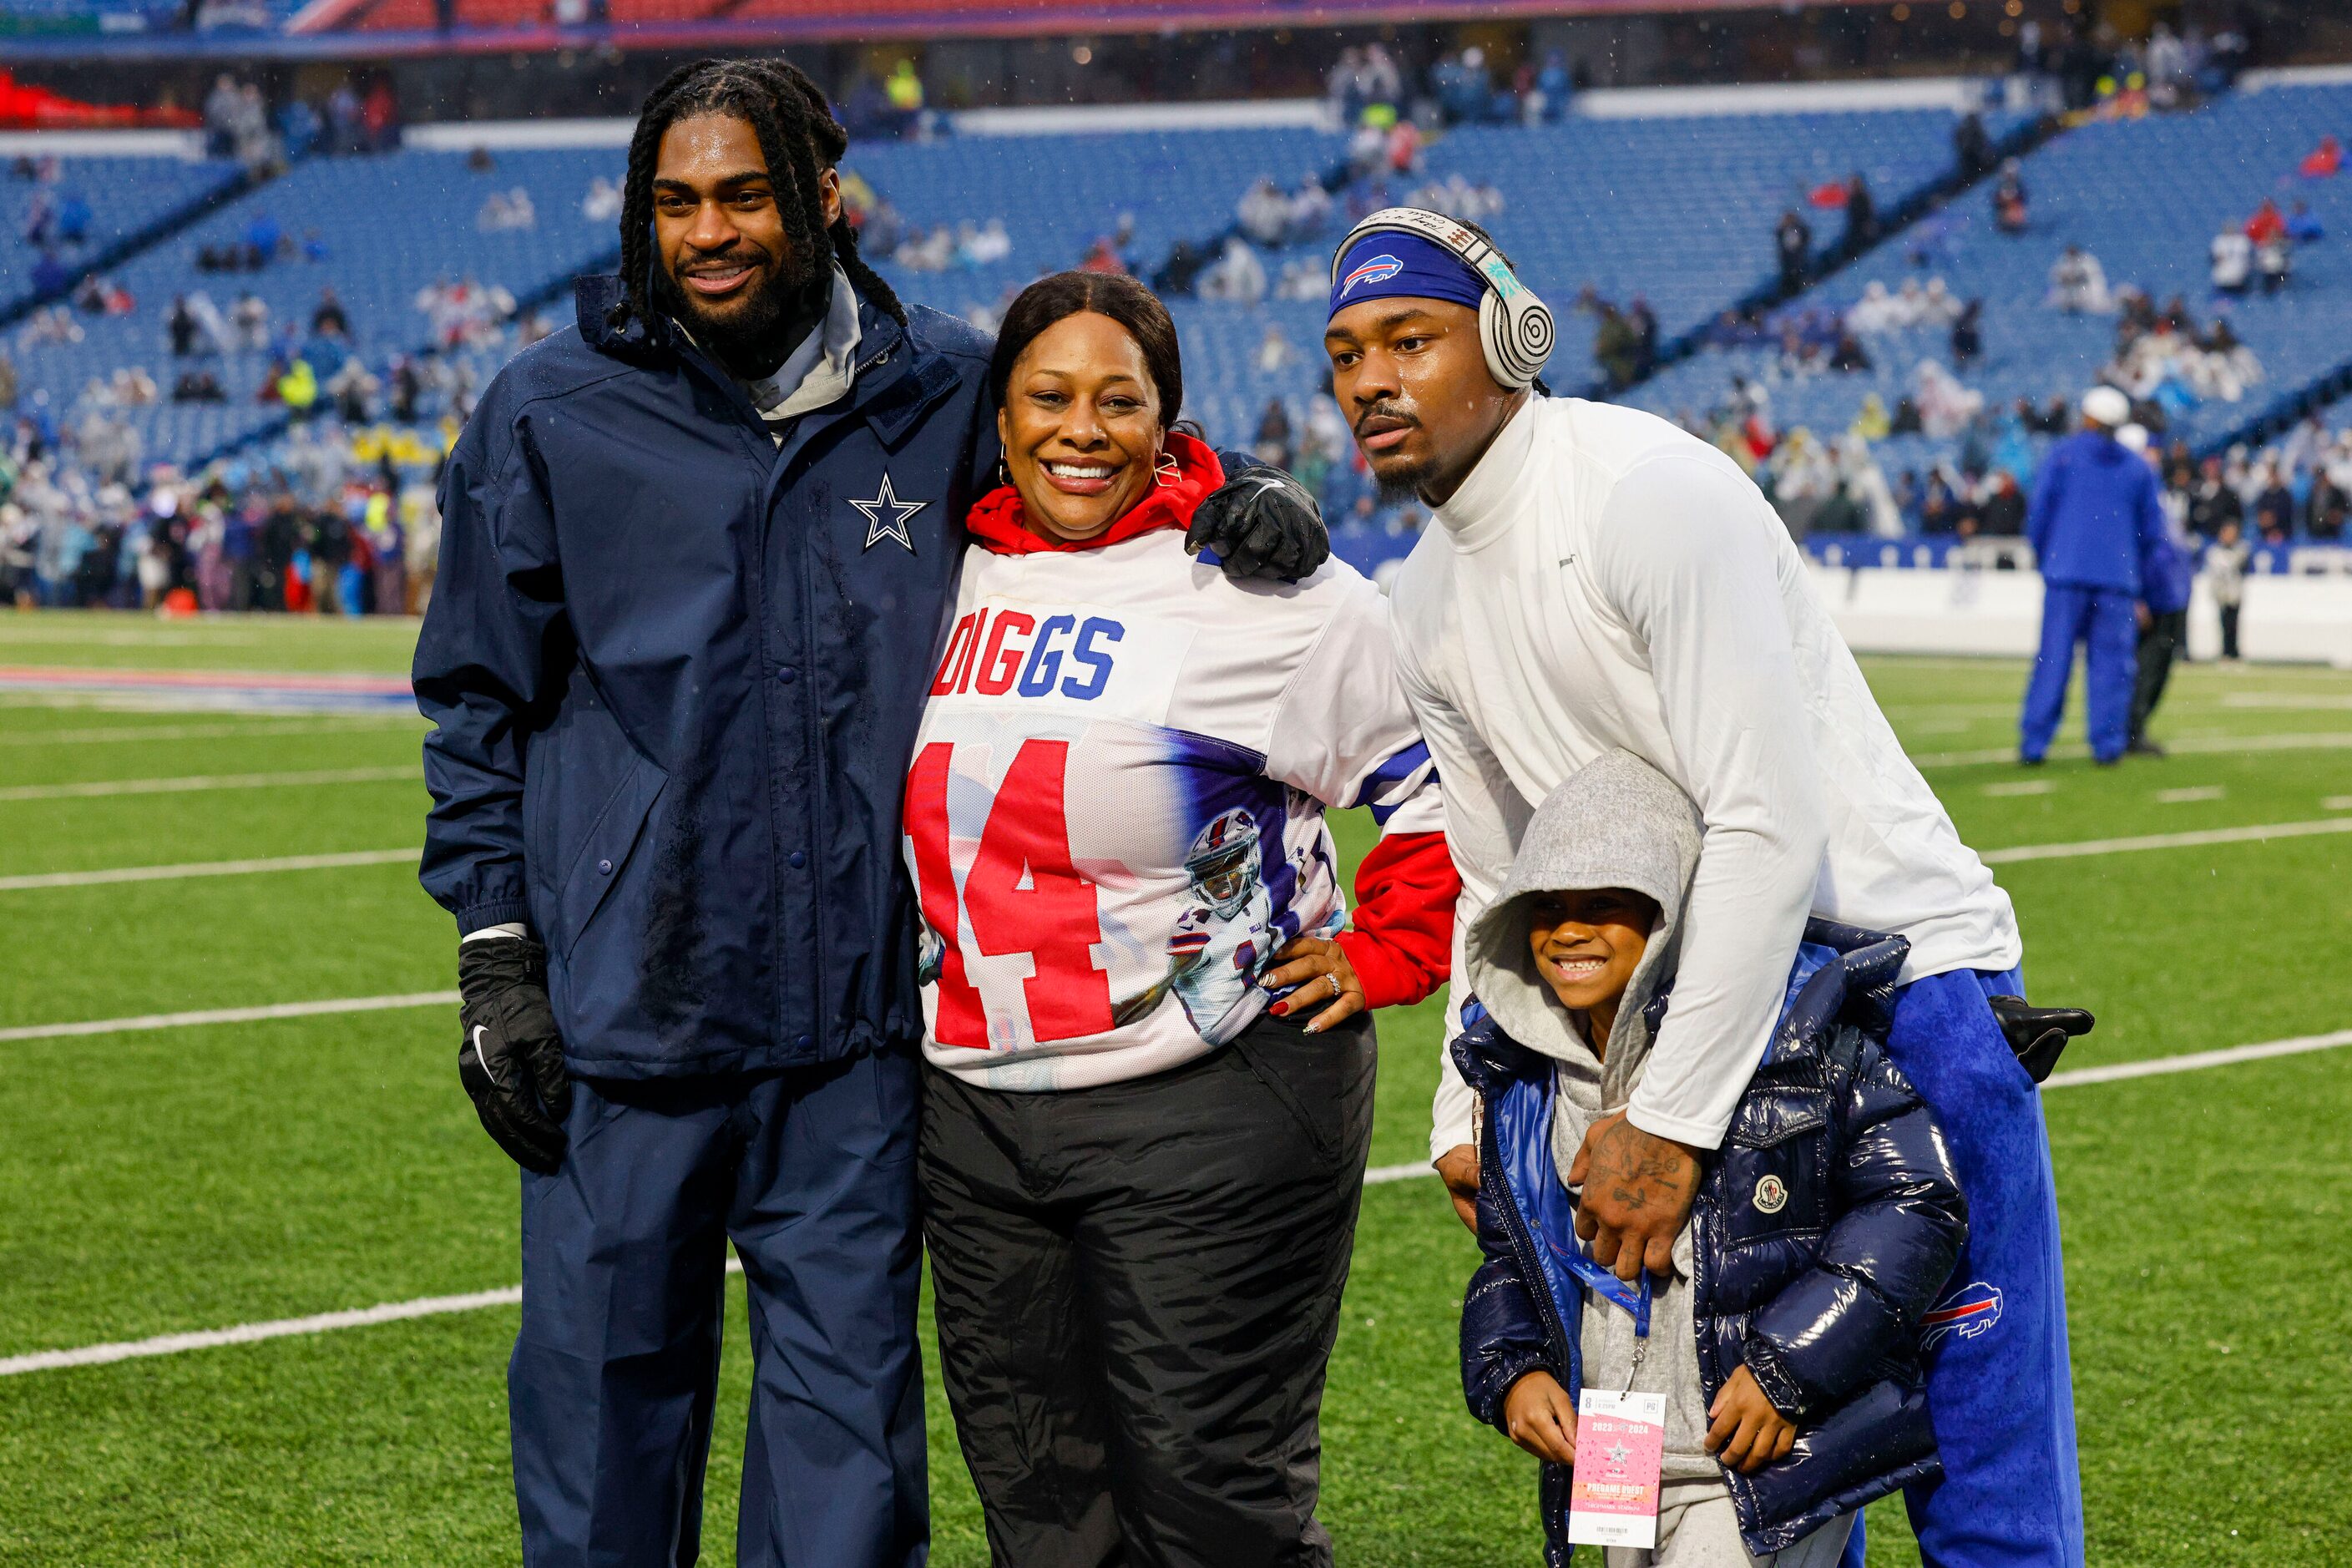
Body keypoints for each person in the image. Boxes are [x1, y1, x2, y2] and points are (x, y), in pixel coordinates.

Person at [412, 57, 1329, 1568]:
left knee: (844, 1477)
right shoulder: (547, 410)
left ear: (821, 201)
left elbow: (1092, 458)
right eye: (675, 201)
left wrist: (1229, 492)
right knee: (597, 1445)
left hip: (855, 1039)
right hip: (621, 1016)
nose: (708, 231)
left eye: (743, 196)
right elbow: (473, 697)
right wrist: (497, 950)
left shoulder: (948, 386)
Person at [1322, 205, 2088, 1568]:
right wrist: (1467, 1095)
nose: (1371, 378)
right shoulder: (1421, 595)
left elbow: (1764, 819)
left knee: (1983, 1484)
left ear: (1511, 340)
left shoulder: (1643, 494)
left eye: (1410, 340)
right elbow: (1498, 871)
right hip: (1684, 1033)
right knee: (1760, 1482)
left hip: (1903, 995)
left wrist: (1666, 1122)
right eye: (1344, 353)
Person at [913, 271, 1457, 1568]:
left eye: (1121, 401)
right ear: (998, 419)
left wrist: (1387, 949)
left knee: (1212, 1507)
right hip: (976, 1116)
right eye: (1048, 398)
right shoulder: (942, 574)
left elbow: (1450, 790)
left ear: (1171, 423)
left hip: (1211, 1091)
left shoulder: (1268, 594)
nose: (1081, 429)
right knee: (1040, 1512)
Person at [1455, 752, 1966, 1568]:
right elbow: (1513, 1257)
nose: (1568, 929)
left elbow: (1912, 1202)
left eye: (1608, 904)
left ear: (1675, 913)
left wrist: (1788, 1369)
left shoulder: (1801, 1042)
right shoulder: (1525, 1078)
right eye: (1547, 905)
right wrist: (1512, 1368)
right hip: (1620, 1460)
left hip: (1762, 1461)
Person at [2021, 386, 2172, 766]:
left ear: (2087, 417)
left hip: (2066, 574)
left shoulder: (2063, 457)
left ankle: (2035, 744)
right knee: (2112, 666)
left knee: (2053, 661)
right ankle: (2107, 745)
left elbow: (2038, 517)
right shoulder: (2138, 469)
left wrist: (2049, 559)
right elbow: (2153, 534)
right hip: (2117, 581)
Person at [2118, 424, 2191, 758]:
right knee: (2146, 667)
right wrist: (2137, 596)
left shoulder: (2150, 487)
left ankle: (2134, 729)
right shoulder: (2131, 492)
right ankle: (2131, 731)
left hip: (2170, 590)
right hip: (2154, 594)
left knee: (2159, 666)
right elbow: (2133, 549)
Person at [2208, 517, 2248, 659]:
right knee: (2223, 623)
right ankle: (2225, 651)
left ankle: (2233, 651)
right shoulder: (2214, 552)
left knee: (2234, 624)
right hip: (2222, 593)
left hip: (2234, 592)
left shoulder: (2241, 549)